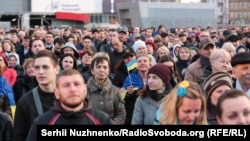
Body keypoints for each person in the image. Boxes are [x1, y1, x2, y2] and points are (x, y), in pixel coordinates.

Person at [25, 69, 114, 141]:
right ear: (57, 93)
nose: (72, 89)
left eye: (77, 84)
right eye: (66, 85)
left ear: (85, 90)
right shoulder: (42, 123)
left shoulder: (103, 120)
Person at [13, 50, 60, 141]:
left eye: (45, 67)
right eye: (37, 68)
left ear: (57, 69)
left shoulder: (69, 98)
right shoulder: (24, 103)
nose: (40, 72)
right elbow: (19, 137)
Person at [86, 52, 126, 125]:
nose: (102, 70)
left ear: (108, 70)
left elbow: (121, 114)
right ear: (92, 70)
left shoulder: (115, 91)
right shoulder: (83, 90)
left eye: (105, 67)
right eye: (98, 67)